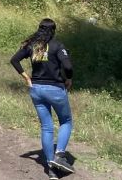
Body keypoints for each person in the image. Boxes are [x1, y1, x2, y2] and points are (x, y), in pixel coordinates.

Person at [10, 18, 75, 179]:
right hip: (55, 89)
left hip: (36, 89)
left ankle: (51, 168)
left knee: (46, 127)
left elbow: (14, 60)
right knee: (66, 121)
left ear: (39, 29)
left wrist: (26, 78)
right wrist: (69, 79)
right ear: (53, 30)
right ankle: (60, 154)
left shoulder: (32, 45)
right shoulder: (57, 45)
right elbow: (68, 66)